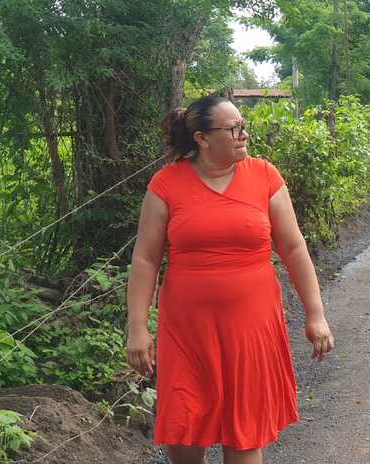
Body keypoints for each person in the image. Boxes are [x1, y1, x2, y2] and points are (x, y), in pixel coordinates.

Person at [125, 95, 334, 464]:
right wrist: (137, 327)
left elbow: (293, 248)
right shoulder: (166, 183)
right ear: (203, 139)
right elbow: (145, 259)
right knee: (185, 427)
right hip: (187, 330)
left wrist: (315, 314)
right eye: (234, 128)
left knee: (245, 430)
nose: (244, 134)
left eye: (243, 126)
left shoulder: (264, 176)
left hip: (251, 327)